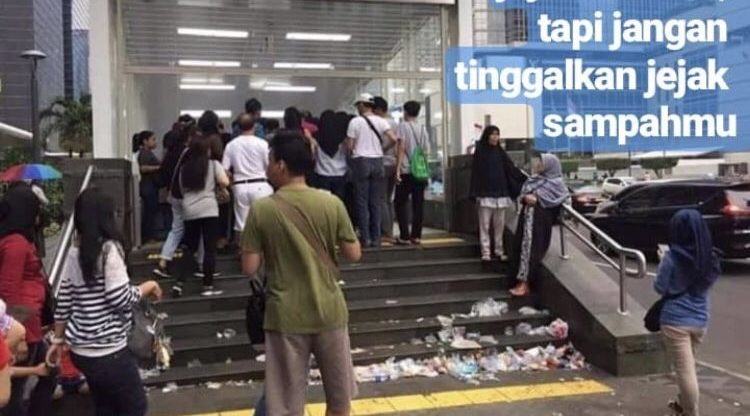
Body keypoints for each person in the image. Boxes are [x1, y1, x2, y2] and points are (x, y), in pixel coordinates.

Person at [241, 130, 361, 416]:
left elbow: (249, 267)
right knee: (339, 400)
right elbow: (354, 254)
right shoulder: (331, 203)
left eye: (269, 160)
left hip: (286, 317)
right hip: (330, 312)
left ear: (281, 165)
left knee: (285, 404)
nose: (267, 167)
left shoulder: (261, 210)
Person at [47, 187, 162, 416]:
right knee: (135, 406)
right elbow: (118, 298)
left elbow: (66, 299)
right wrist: (148, 286)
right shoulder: (109, 250)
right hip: (109, 351)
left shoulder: (74, 252)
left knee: (105, 406)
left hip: (82, 352)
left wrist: (57, 340)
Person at [655, 209, 720, 416]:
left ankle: (691, 412)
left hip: (675, 321)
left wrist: (662, 260)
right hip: (700, 320)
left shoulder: (672, 257)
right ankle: (682, 404)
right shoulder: (711, 257)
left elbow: (660, 287)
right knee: (688, 365)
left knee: (684, 371)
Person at [0, 184, 56, 416]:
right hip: (23, 328)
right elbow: (8, 288)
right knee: (15, 390)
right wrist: (18, 337)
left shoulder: (18, 240)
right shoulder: (16, 244)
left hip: (29, 323)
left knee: (50, 372)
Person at [172, 129, 230, 297]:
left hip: (189, 210)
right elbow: (225, 182)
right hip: (209, 210)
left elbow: (182, 190)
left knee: (189, 248)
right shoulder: (213, 165)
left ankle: (179, 283)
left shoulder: (184, 169)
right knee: (209, 249)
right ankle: (207, 286)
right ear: (207, 150)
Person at [508, 153, 569, 297]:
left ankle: (525, 284)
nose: (538, 165)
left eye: (541, 163)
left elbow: (562, 201)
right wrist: (525, 198)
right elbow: (522, 194)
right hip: (527, 219)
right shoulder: (535, 180)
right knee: (521, 249)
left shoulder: (556, 183)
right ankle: (518, 282)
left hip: (539, 223)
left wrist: (538, 199)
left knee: (531, 251)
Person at [346, 94, 399, 248]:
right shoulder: (381, 121)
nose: (357, 108)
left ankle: (365, 238)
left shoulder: (355, 121)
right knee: (375, 201)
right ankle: (376, 238)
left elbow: (349, 146)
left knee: (362, 202)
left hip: (361, 161)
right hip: (377, 162)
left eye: (358, 105)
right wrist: (382, 149)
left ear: (362, 105)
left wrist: (353, 155)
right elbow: (394, 139)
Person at [469, 125, 524, 261]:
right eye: (492, 134)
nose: (495, 137)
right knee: (485, 225)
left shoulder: (500, 152)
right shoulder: (480, 152)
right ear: (487, 136)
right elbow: (476, 174)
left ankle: (499, 250)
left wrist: (524, 178)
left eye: (497, 134)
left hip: (501, 193)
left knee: (499, 225)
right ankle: (486, 251)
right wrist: (475, 192)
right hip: (485, 193)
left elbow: (510, 168)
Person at [154, 121, 193, 278]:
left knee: (176, 229)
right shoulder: (188, 153)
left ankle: (163, 261)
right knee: (197, 229)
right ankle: (198, 264)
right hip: (187, 195)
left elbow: (163, 173)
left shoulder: (170, 153)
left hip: (174, 194)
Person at [222, 113, 273, 236]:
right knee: (264, 224)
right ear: (254, 126)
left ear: (238, 127)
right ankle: (263, 253)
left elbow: (224, 169)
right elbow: (270, 165)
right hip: (262, 185)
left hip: (240, 187)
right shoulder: (263, 144)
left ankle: (243, 253)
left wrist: (231, 183)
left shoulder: (231, 145)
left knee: (242, 226)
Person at [393, 101, 431, 246]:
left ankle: (404, 236)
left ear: (405, 112)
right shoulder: (422, 128)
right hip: (419, 171)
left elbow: (401, 147)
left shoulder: (403, 126)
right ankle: (417, 236)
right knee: (418, 204)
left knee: (400, 202)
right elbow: (426, 150)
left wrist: (397, 169)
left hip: (406, 170)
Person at [372, 97, 400, 243]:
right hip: (394, 163)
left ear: (378, 109)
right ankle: (390, 230)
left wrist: (382, 149)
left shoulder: (380, 123)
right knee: (388, 199)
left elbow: (393, 140)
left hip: (382, 163)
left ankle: (386, 232)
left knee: (382, 199)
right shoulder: (395, 123)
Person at [311, 110, 348, 200]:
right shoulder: (343, 138)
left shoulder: (316, 137)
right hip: (340, 173)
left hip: (322, 174)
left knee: (323, 202)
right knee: (339, 202)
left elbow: (312, 155)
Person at [137, 130, 161, 243]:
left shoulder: (149, 153)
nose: (155, 142)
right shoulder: (144, 153)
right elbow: (143, 168)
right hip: (148, 188)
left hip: (152, 187)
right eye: (153, 139)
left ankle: (149, 235)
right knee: (149, 213)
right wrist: (159, 168)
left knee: (151, 212)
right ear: (145, 141)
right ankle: (147, 237)